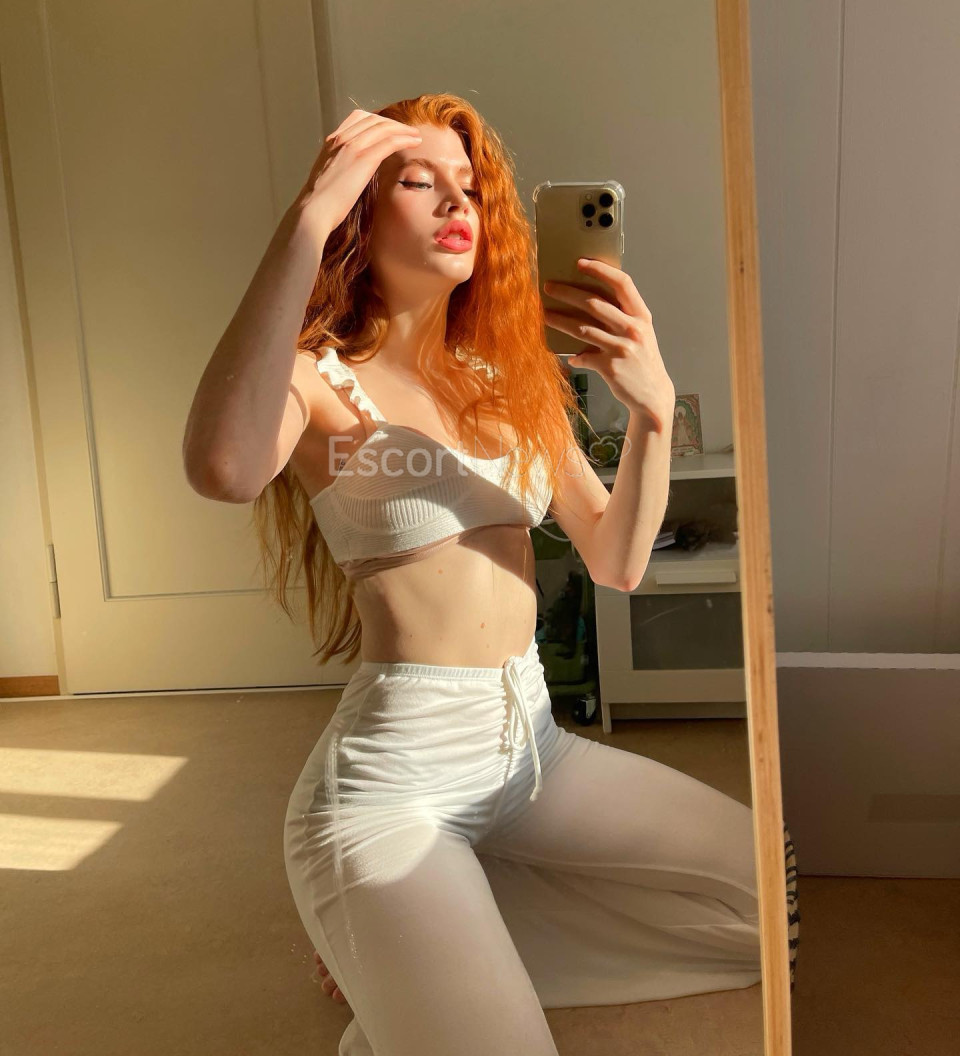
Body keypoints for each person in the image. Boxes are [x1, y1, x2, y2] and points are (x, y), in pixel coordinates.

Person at [183, 95, 762, 1056]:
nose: (459, 203)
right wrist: (305, 222)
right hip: (394, 782)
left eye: (472, 188)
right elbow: (224, 469)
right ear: (358, 212)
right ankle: (398, 936)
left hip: (535, 751)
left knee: (770, 892)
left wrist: (653, 411)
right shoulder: (316, 378)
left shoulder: (508, 379)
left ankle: (422, 941)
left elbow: (617, 562)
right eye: (420, 182)